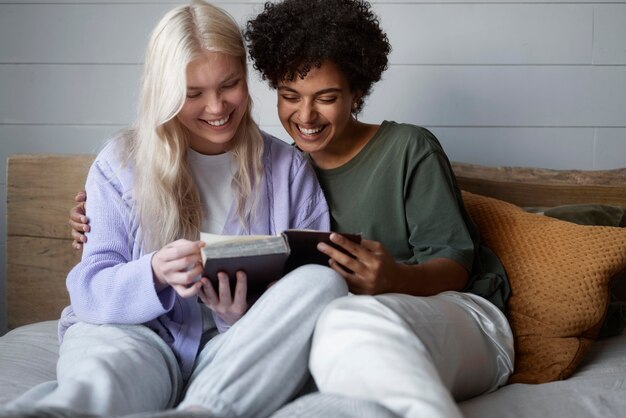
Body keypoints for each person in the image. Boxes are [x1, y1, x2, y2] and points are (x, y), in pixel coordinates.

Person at [71, 0, 515, 417]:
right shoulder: (133, 163)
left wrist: (392, 278)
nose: (306, 115)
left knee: (332, 304)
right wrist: (145, 264)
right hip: (189, 336)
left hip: (405, 312)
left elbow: (449, 263)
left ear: (356, 91)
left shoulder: (344, 158)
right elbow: (97, 278)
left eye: (326, 98)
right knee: (106, 372)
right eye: (290, 95)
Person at [2, 1, 351, 417]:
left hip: (236, 350)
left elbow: (303, 294)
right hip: (135, 336)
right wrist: (152, 272)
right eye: (193, 94)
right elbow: (90, 290)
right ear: (165, 92)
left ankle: (202, 411)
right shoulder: (121, 163)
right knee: (102, 377)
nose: (217, 107)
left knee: (322, 284)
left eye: (229, 85)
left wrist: (237, 316)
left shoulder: (288, 169)